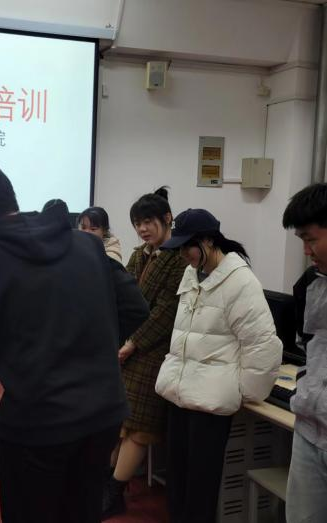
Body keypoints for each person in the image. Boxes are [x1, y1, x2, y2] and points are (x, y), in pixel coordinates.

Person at [0, 161, 149, 523]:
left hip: (37, 426)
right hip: (103, 414)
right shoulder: (87, 245)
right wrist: (96, 346)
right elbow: (136, 308)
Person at [155, 208, 281, 523]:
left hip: (210, 403)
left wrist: (243, 393)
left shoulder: (240, 281)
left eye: (188, 246)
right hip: (179, 394)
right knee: (177, 484)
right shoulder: (191, 274)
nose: (183, 255)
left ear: (209, 241)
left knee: (200, 489)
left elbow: (262, 344)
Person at [102, 187, 187, 519]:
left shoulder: (179, 258)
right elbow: (121, 296)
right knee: (117, 420)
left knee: (138, 423)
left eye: (148, 222)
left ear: (167, 219)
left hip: (157, 349)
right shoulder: (140, 255)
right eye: (137, 223)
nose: (142, 229)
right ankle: (106, 482)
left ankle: (114, 491)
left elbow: (166, 312)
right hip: (128, 345)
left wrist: (133, 342)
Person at [282, 183, 327, 523]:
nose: (306, 250)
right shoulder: (311, 283)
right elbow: (309, 347)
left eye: (310, 239)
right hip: (310, 429)